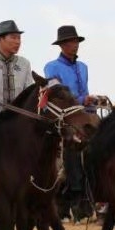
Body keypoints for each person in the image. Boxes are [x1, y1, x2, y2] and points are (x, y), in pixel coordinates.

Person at [44, 25, 95, 216]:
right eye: (70, 42)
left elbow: (85, 92)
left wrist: (90, 100)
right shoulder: (52, 67)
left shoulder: (84, 67)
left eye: (76, 41)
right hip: (63, 115)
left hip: (83, 111)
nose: (74, 45)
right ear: (62, 45)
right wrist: (82, 100)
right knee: (72, 146)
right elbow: (57, 94)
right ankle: (74, 194)